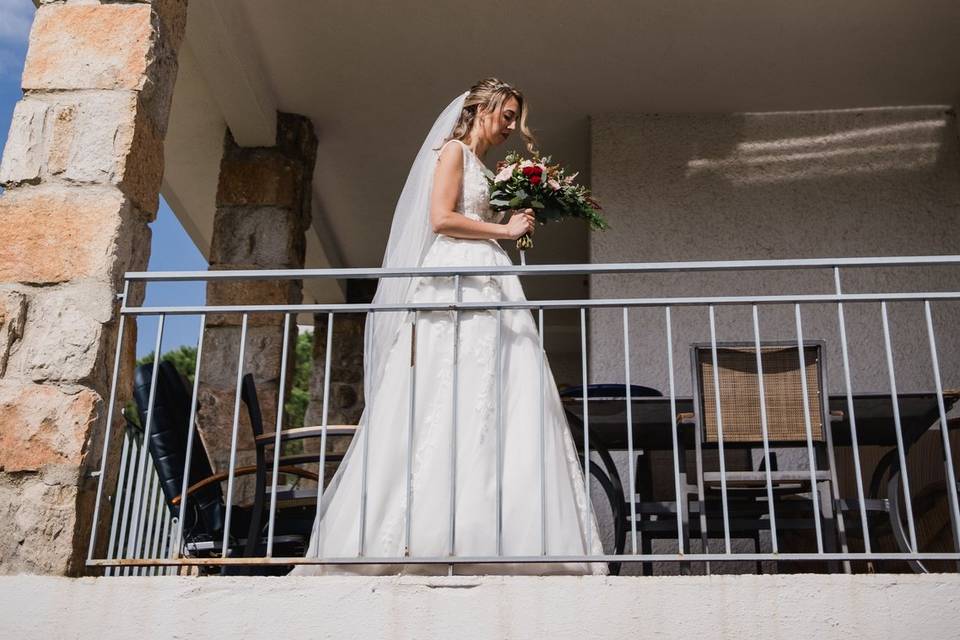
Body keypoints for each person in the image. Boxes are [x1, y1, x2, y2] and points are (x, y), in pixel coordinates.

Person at [292, 78, 607, 576]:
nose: (511, 127)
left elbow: (472, 214)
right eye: (506, 115)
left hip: (490, 279)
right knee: (442, 392)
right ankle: (407, 537)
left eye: (514, 119)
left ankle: (497, 533)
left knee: (498, 392)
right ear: (481, 109)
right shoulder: (454, 153)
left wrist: (515, 210)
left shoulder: (484, 168)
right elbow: (441, 218)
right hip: (455, 278)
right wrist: (504, 229)